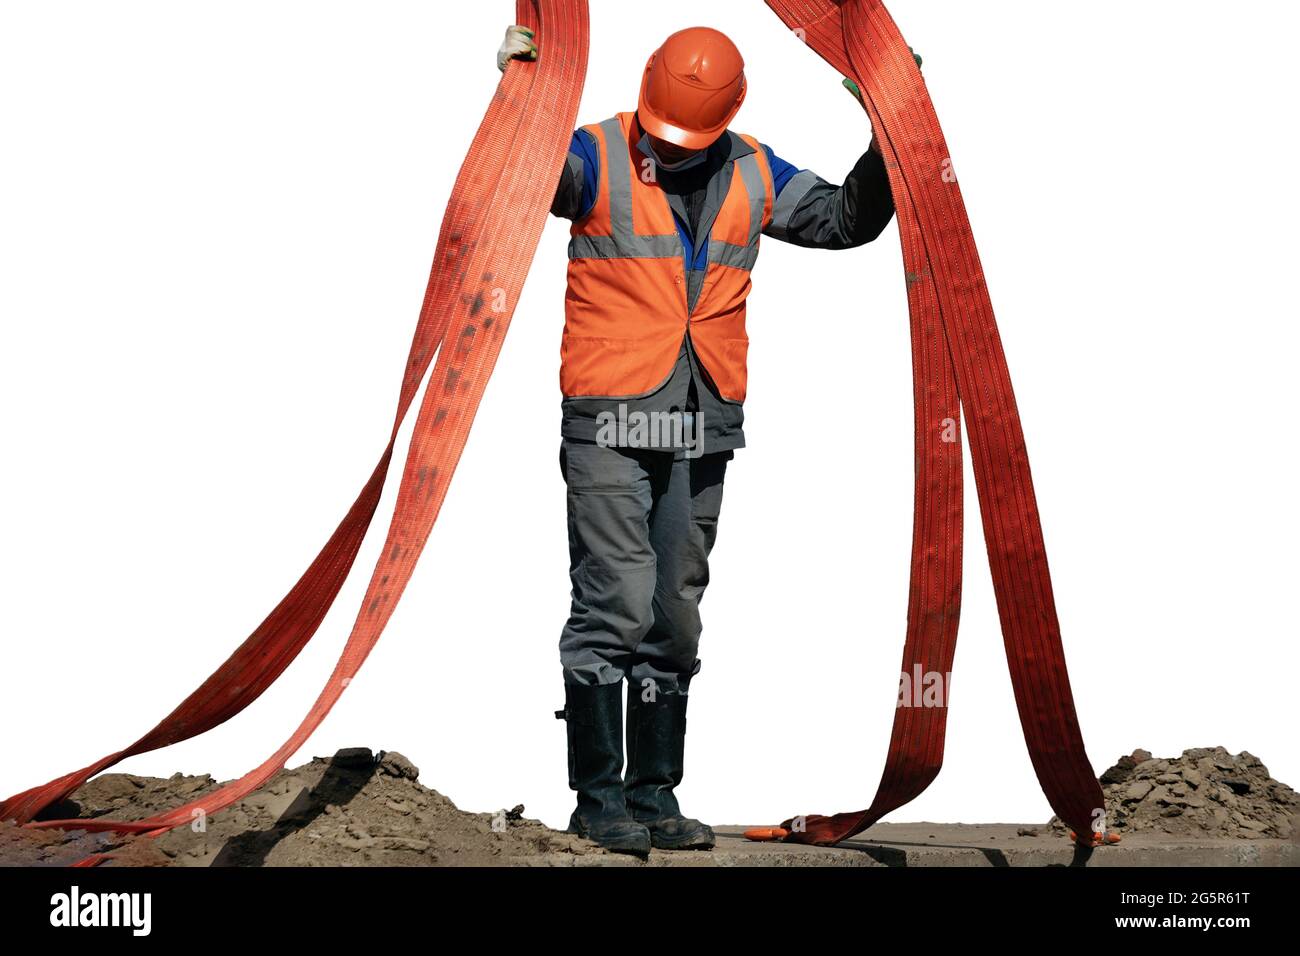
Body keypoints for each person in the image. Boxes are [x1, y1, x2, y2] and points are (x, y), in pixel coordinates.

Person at [497, 23, 915, 855]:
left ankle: (653, 795)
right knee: (613, 602)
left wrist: (890, 138)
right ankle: (597, 798)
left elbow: (842, 221)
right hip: (612, 420)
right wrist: (518, 93)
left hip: (700, 418)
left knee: (674, 614)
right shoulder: (594, 154)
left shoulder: (753, 168)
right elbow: (526, 178)